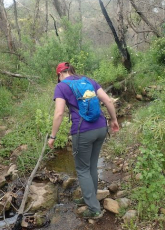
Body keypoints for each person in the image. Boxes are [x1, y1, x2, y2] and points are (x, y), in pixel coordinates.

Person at [48, 62, 119, 219]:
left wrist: (52, 136)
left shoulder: (61, 86)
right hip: (101, 127)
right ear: (71, 71)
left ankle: (94, 209)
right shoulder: (88, 80)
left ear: (60, 75)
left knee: (82, 169)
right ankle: (91, 197)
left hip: (83, 131)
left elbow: (59, 113)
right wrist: (114, 120)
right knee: (91, 165)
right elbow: (107, 100)